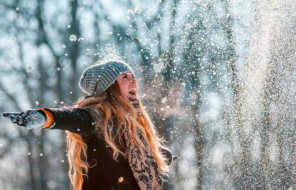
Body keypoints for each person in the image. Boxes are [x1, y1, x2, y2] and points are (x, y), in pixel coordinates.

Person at [3, 58, 174, 190]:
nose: (134, 81)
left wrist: (159, 155)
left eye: (133, 76)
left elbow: (136, 157)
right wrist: (45, 117)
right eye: (125, 77)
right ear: (110, 87)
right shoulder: (99, 117)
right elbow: (73, 117)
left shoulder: (134, 126)